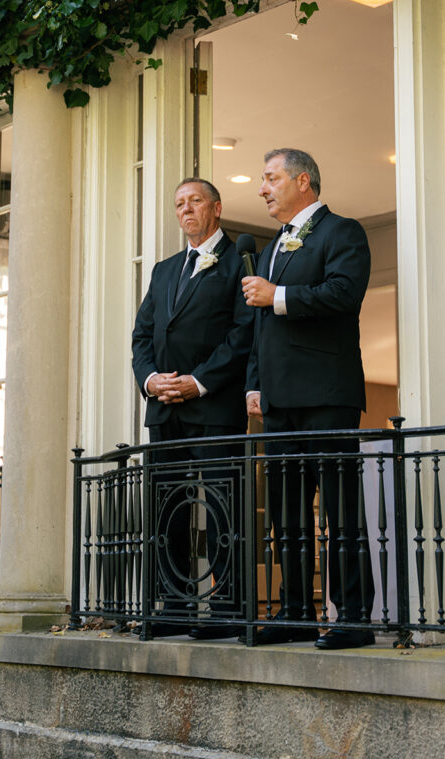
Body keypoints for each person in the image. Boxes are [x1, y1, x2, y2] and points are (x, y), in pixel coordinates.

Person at [243, 148, 374, 649]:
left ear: (303, 181)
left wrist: (277, 295)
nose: (262, 189)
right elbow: (259, 326)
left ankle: (354, 617)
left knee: (341, 512)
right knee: (288, 515)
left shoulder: (343, 231)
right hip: (278, 400)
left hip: (326, 393)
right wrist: (254, 383)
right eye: (262, 180)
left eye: (270, 178)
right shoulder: (273, 246)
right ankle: (296, 612)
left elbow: (343, 293)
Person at [132, 177, 253, 639]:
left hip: (214, 406)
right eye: (179, 203)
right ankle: (175, 605)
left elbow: (242, 334)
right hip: (164, 408)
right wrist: (151, 380)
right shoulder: (164, 270)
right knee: (169, 511)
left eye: (195, 201)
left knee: (223, 507)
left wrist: (197, 382)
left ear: (216, 208)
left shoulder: (240, 262)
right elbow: (142, 336)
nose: (185, 209)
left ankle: (229, 605)